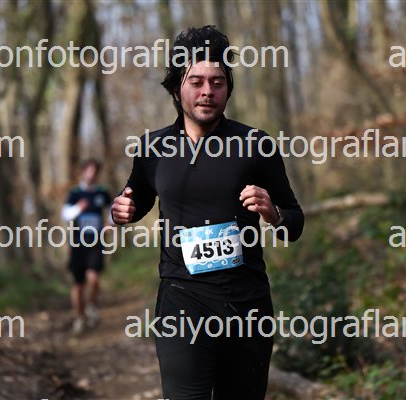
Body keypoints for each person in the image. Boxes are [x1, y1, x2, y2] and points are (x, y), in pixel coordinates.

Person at [111, 26, 304, 399]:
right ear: (176, 88)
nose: (207, 91)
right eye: (196, 81)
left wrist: (274, 214)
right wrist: (123, 210)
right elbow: (136, 199)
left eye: (217, 82)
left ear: (228, 89)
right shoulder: (153, 149)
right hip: (182, 302)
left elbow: (294, 223)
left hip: (247, 306)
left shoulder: (255, 144)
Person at [62, 159, 111, 334]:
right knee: (78, 284)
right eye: (89, 171)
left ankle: (91, 306)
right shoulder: (75, 193)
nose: (92, 174)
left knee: (94, 278)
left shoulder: (102, 192)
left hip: (96, 242)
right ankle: (79, 317)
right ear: (84, 172)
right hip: (78, 244)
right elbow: (65, 215)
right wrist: (78, 208)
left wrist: (110, 224)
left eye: (95, 171)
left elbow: (112, 210)